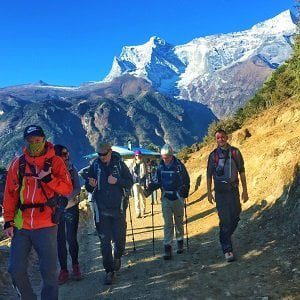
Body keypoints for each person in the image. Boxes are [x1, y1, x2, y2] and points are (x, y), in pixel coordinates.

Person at [3, 125, 73, 300]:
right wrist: (8, 220)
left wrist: (48, 178)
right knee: (15, 269)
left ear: (44, 140)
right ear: (26, 141)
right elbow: (10, 194)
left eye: (38, 141)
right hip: (22, 223)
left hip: (46, 223)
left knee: (49, 272)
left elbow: (67, 188)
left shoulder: (56, 162)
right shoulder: (18, 163)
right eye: (31, 141)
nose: (34, 144)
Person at [85, 142, 133, 285]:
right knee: (104, 243)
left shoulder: (119, 165)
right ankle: (109, 271)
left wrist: (117, 181)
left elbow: (130, 182)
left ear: (110, 152)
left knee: (119, 240)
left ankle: (118, 255)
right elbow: (88, 185)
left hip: (117, 210)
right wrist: (90, 185)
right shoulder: (95, 166)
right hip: (102, 211)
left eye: (104, 154)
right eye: (99, 155)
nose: (101, 157)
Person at [206, 129, 248, 262]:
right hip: (220, 192)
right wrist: (208, 192)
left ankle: (225, 236)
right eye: (218, 138)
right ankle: (227, 249)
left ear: (227, 137)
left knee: (235, 216)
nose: (221, 140)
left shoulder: (235, 152)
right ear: (216, 140)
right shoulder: (213, 156)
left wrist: (245, 190)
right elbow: (208, 175)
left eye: (223, 137)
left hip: (233, 190)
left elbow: (241, 172)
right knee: (225, 220)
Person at [145, 144, 190, 260]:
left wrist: (184, 190)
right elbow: (157, 181)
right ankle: (168, 247)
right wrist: (150, 187)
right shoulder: (160, 167)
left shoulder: (179, 166)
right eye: (163, 157)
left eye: (167, 157)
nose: (165, 159)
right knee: (168, 223)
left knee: (179, 221)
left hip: (178, 196)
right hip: (166, 197)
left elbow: (186, 180)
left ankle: (180, 241)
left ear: (171, 155)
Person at [54, 145, 82, 284]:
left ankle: (75, 265)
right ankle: (64, 270)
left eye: (67, 154)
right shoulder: (51, 170)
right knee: (60, 241)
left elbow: (78, 187)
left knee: (71, 238)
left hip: (71, 207)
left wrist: (67, 197)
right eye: (64, 154)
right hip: (56, 211)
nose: (66, 156)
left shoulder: (71, 169)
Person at [131, 150, 147, 218]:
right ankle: (138, 212)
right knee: (136, 198)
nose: (138, 156)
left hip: (142, 182)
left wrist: (146, 182)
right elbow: (131, 173)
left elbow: (145, 174)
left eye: (139, 155)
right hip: (135, 183)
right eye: (137, 155)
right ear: (135, 156)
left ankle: (143, 210)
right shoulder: (132, 164)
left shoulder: (143, 163)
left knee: (143, 197)